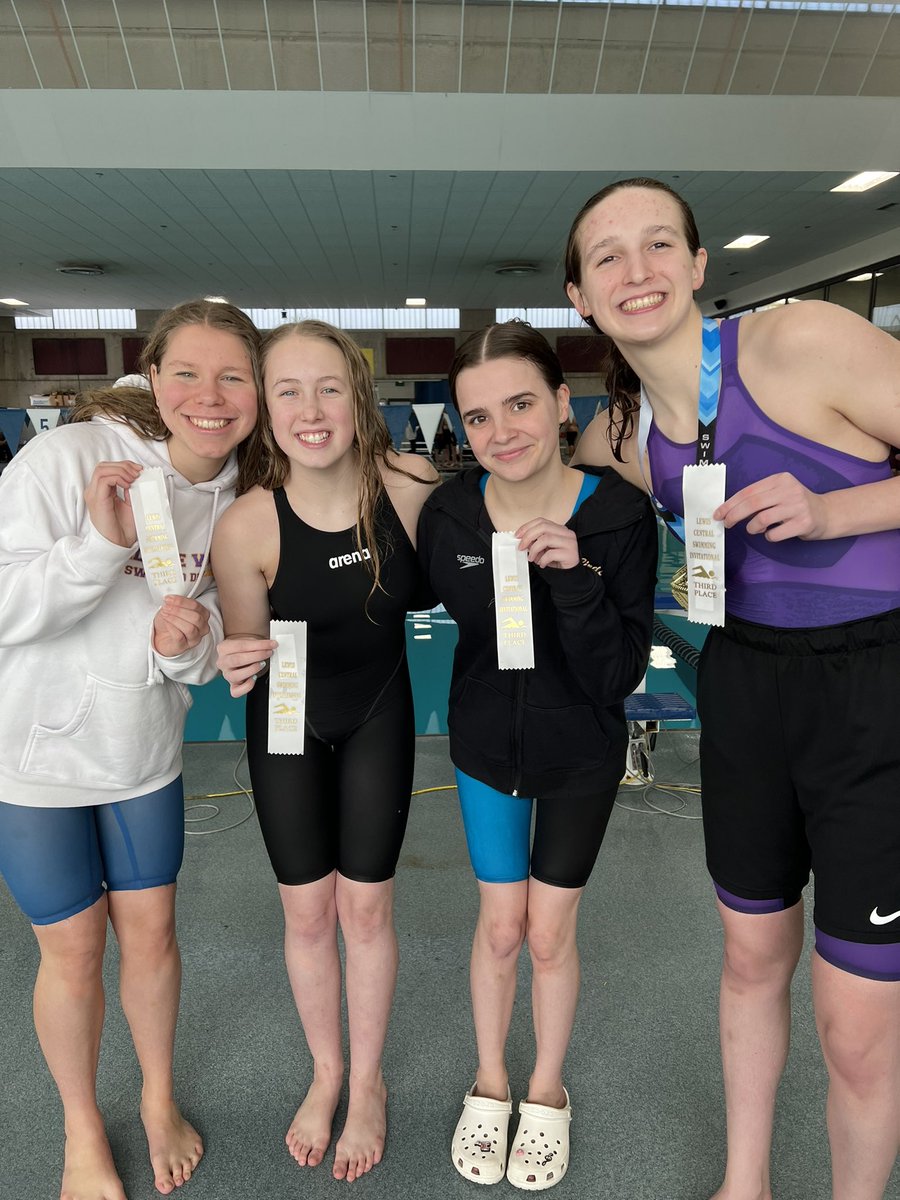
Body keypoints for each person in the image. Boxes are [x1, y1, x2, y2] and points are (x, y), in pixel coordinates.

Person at [565, 177, 900, 1200]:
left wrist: (840, 514)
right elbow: (528, 462)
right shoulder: (631, 435)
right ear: (580, 296)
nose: (639, 269)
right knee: (751, 960)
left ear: (702, 265)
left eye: (660, 243)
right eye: (609, 255)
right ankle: (742, 1182)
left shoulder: (800, 341)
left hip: (876, 689)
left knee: (855, 1022)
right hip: (748, 689)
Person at [0, 300, 261, 1200]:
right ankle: (81, 1131)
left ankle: (157, 1098)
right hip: (35, 762)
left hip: (142, 756)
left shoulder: (233, 496)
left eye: (234, 376)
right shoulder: (66, 460)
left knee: (151, 937)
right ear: (154, 378)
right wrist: (94, 549)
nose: (210, 396)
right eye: (187, 372)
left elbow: (199, 651)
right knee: (71, 949)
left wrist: (182, 642)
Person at [417, 321, 657, 1190]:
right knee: (500, 925)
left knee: (551, 934)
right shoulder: (448, 514)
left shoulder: (620, 514)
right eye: (476, 418)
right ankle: (490, 1081)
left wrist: (574, 577)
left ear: (562, 402)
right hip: (485, 749)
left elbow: (618, 671)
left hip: (580, 756)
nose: (501, 431)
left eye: (520, 403)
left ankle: (546, 1092)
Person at [212, 320, 438, 1183]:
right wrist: (231, 658)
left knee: (367, 910)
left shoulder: (411, 489)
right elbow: (241, 650)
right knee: (307, 914)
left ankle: (370, 1081)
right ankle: (328, 1071)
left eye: (330, 388)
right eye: (288, 391)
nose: (312, 410)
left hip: (380, 713)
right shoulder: (247, 526)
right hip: (288, 726)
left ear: (360, 397)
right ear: (266, 411)